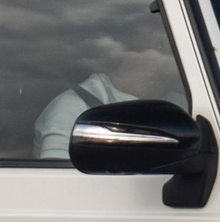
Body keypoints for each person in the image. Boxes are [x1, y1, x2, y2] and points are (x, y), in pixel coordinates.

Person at [32, 43, 185, 158]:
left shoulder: (184, 103)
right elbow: (58, 183)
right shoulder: (75, 107)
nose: (168, 54)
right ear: (128, 54)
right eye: (158, 45)